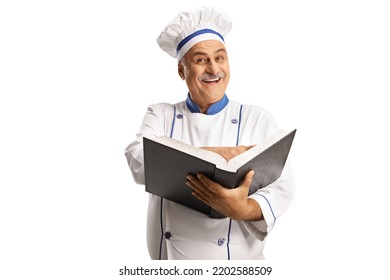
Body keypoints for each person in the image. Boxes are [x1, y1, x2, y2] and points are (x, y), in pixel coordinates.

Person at [124, 6, 295, 260]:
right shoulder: (160, 114)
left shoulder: (256, 118)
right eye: (201, 60)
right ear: (182, 70)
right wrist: (220, 155)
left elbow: (283, 185)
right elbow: (139, 161)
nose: (214, 69)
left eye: (220, 57)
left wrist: (243, 208)